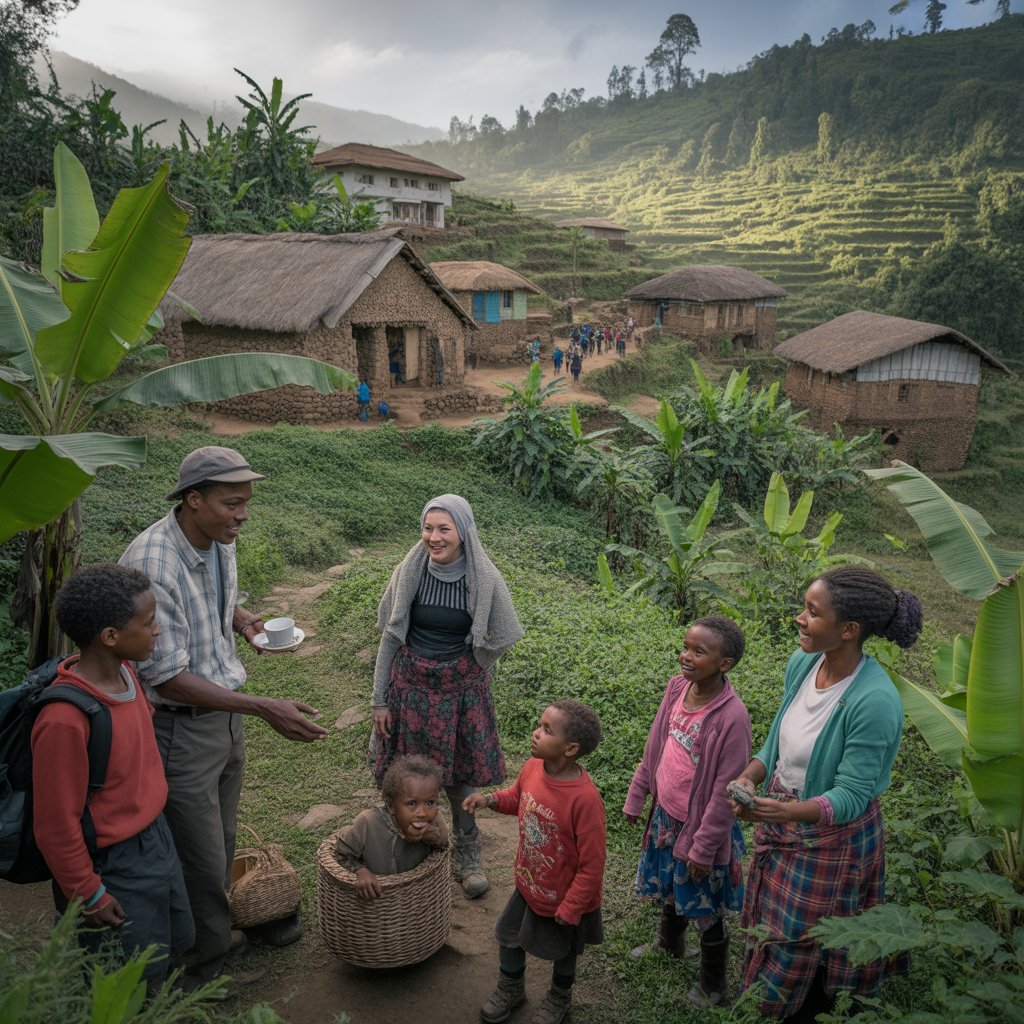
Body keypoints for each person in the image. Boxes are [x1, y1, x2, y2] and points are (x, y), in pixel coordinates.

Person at [120, 446, 328, 984]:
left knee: (221, 838)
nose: (243, 515)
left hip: (222, 718)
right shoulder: (153, 563)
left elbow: (207, 597)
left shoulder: (216, 540)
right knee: (197, 851)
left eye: (246, 503)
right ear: (194, 499)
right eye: (232, 504)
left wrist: (238, 618)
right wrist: (262, 707)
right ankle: (202, 965)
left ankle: (212, 936)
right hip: (180, 727)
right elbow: (164, 676)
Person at [728, 566, 924, 1023]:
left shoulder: (874, 701)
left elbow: (851, 796)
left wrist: (784, 813)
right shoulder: (803, 663)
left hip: (832, 838)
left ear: (849, 629)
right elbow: (778, 741)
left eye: (812, 612)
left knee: (811, 936)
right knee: (777, 922)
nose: (800, 618)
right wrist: (751, 776)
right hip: (789, 814)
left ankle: (806, 1007)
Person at [33, 564, 194, 992]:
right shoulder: (64, 720)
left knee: (169, 942)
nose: (157, 630)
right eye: (148, 622)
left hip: (155, 838)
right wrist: (88, 892)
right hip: (113, 863)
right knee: (124, 973)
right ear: (110, 636)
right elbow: (55, 824)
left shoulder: (126, 674)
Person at [372, 494, 523, 899]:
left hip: (461, 696)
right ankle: (406, 845)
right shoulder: (410, 572)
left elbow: (503, 634)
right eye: (428, 528)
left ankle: (467, 852)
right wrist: (379, 701)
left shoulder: (484, 578)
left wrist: (473, 666)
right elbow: (391, 637)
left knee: (462, 778)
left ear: (464, 532)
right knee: (406, 773)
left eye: (444, 529)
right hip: (410, 691)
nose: (434, 537)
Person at [623, 616, 750, 1007]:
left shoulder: (732, 719)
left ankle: (713, 985)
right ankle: (670, 944)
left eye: (699, 651)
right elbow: (655, 743)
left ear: (724, 664)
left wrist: (703, 847)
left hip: (700, 829)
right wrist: (638, 792)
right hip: (667, 816)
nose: (686, 656)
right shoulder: (677, 687)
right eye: (685, 647)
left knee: (704, 902)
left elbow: (724, 793)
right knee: (671, 886)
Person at [465, 701, 606, 1024]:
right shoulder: (532, 768)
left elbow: (592, 865)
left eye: (546, 730)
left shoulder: (584, 799)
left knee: (564, 952)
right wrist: (489, 800)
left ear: (570, 748)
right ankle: (511, 988)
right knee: (508, 937)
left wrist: (572, 907)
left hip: (564, 897)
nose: (536, 733)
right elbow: (517, 798)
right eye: (539, 725)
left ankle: (559, 999)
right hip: (529, 885)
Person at [334, 755, 449, 900]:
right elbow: (342, 853)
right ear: (391, 806)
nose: (423, 813)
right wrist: (360, 871)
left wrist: (427, 835)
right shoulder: (368, 823)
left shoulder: (432, 821)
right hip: (377, 904)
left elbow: (444, 843)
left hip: (415, 901)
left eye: (430, 802)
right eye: (412, 803)